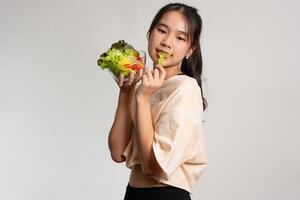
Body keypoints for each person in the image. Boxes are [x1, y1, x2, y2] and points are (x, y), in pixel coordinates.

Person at [108, 3, 208, 200]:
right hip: (133, 193)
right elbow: (117, 152)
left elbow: (154, 168)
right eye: (162, 30)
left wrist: (143, 98)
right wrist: (127, 92)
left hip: (165, 195)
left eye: (180, 37)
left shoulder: (185, 89)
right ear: (149, 33)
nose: (167, 42)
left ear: (190, 49)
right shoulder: (148, 86)